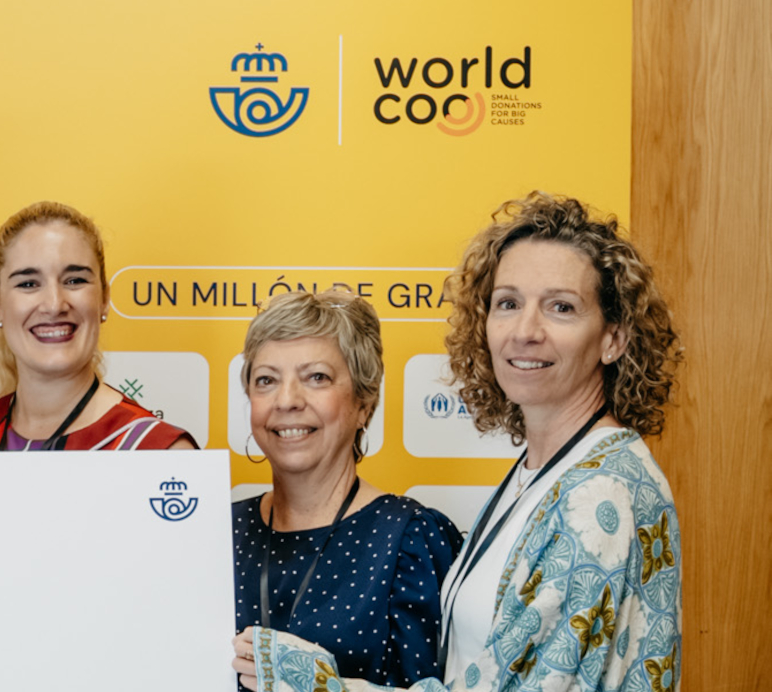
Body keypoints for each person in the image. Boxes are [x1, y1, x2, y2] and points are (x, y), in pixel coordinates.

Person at [234, 192, 683, 692]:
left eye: (561, 307)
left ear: (613, 338)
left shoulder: (601, 493)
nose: (526, 330)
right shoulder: (544, 474)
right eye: (508, 303)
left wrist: (321, 686)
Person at [230, 289, 462, 689]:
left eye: (316, 377)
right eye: (266, 380)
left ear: (364, 403)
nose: (287, 400)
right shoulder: (218, 530)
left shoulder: (410, 539)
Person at [0, 201, 196, 451]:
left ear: (104, 300)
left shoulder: (159, 450)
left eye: (75, 280)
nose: (54, 304)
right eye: (28, 284)